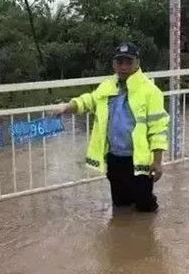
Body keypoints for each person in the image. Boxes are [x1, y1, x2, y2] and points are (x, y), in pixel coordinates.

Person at [54, 42, 169, 212]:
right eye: (119, 62)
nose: (123, 67)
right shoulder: (107, 87)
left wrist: (157, 162)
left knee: (144, 206)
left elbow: (158, 128)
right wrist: (67, 107)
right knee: (120, 206)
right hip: (114, 157)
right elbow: (89, 101)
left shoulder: (150, 91)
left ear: (137, 63)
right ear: (114, 64)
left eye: (128, 62)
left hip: (139, 159)